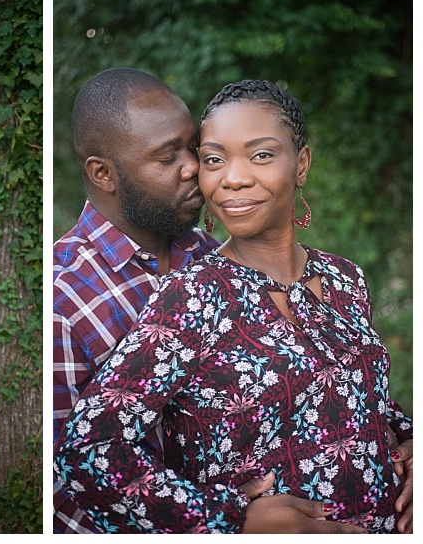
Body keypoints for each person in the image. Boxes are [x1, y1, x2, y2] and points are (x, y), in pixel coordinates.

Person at [54, 79, 413, 533]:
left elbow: (353, 394)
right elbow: (89, 450)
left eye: (261, 154)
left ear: (300, 164)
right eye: (215, 159)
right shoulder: (192, 292)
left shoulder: (347, 279)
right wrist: (228, 520)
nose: (234, 176)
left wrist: (410, 442)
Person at [52, 67, 220, 533]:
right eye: (167, 158)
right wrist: (226, 522)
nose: (193, 167)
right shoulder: (63, 300)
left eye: (193, 147)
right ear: (103, 173)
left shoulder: (216, 260)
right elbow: (66, 498)